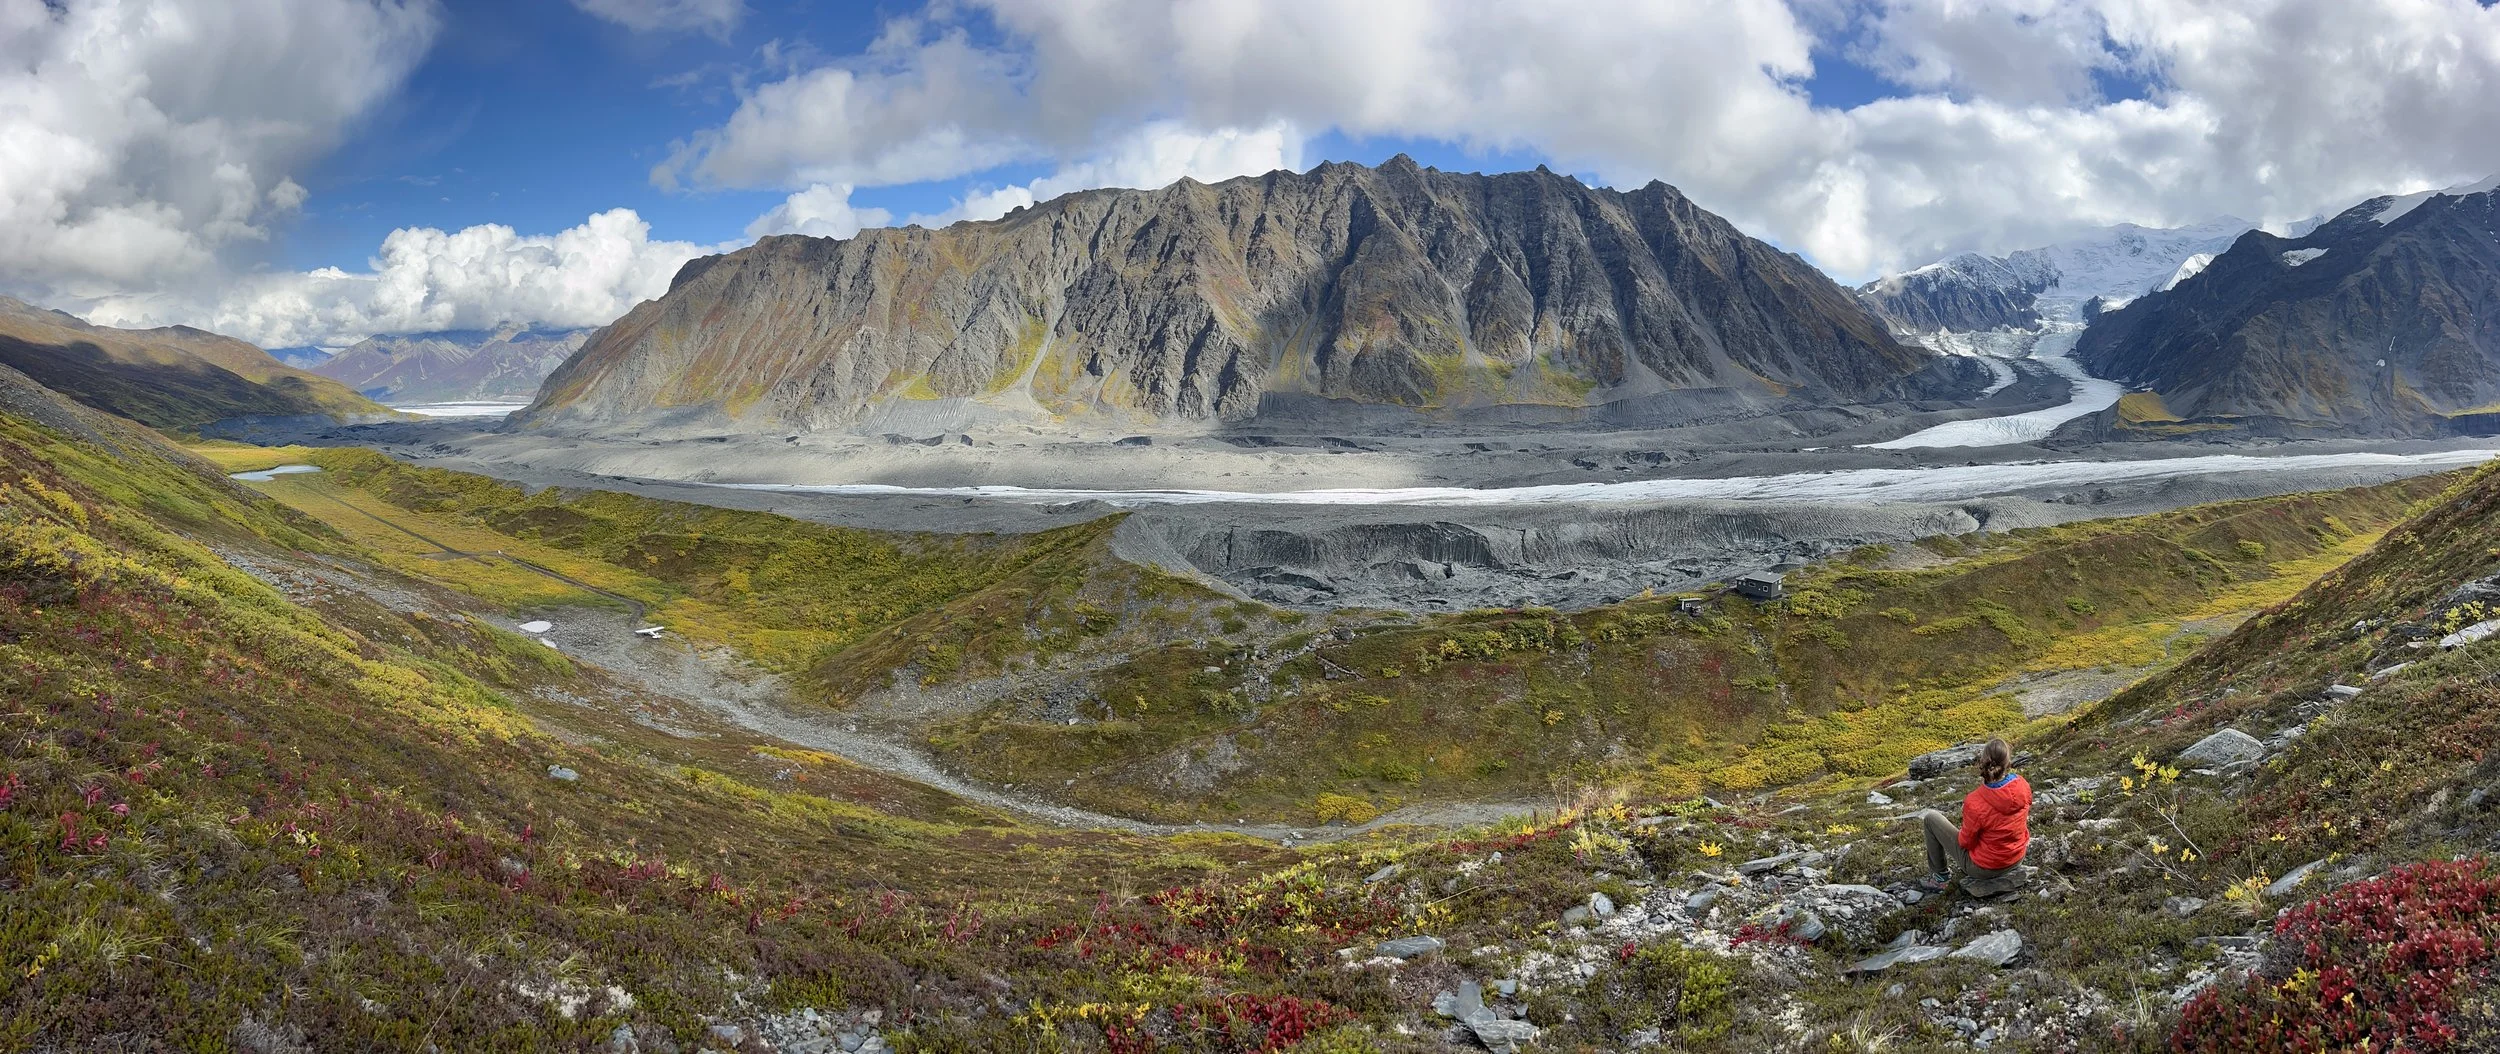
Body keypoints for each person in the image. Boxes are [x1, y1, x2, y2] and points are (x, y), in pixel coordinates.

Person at [1914, 738, 2031, 896]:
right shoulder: (2023, 785)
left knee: (1931, 818)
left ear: (1984, 762)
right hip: (2017, 857)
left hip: (1985, 869)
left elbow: (1965, 843)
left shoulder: (1975, 801)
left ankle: (1940, 878)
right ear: (2007, 762)